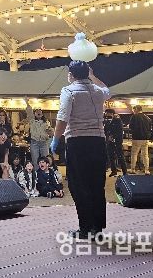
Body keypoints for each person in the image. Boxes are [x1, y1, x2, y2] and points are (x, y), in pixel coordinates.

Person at [51, 60, 109, 239]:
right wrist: (92, 75)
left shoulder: (68, 91)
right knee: (96, 184)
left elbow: (62, 118)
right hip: (98, 141)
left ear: (71, 75)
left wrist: (55, 139)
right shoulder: (98, 91)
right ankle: (97, 228)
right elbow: (107, 90)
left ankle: (85, 228)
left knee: (78, 185)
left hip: (77, 142)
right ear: (87, 73)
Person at [25, 100, 52, 165]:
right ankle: (36, 171)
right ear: (34, 114)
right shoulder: (32, 121)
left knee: (45, 160)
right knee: (35, 160)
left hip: (44, 143)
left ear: (42, 114)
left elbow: (50, 132)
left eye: (40, 111)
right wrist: (27, 103)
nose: (38, 112)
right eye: (37, 111)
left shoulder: (46, 122)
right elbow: (29, 112)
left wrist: (50, 130)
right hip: (34, 142)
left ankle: (45, 171)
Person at [128, 104, 152, 175]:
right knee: (145, 155)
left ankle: (133, 169)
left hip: (137, 138)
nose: (133, 111)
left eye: (133, 110)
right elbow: (150, 128)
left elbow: (131, 127)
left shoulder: (134, 117)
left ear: (136, 109)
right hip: (145, 139)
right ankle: (147, 170)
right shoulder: (147, 118)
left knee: (134, 154)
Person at [104, 108, 127, 177]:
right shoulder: (107, 120)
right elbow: (106, 130)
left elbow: (119, 131)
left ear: (111, 113)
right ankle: (113, 170)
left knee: (120, 156)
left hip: (117, 141)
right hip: (109, 141)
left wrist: (113, 136)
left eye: (107, 113)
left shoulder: (118, 120)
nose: (106, 115)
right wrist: (108, 136)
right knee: (110, 156)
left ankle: (125, 172)